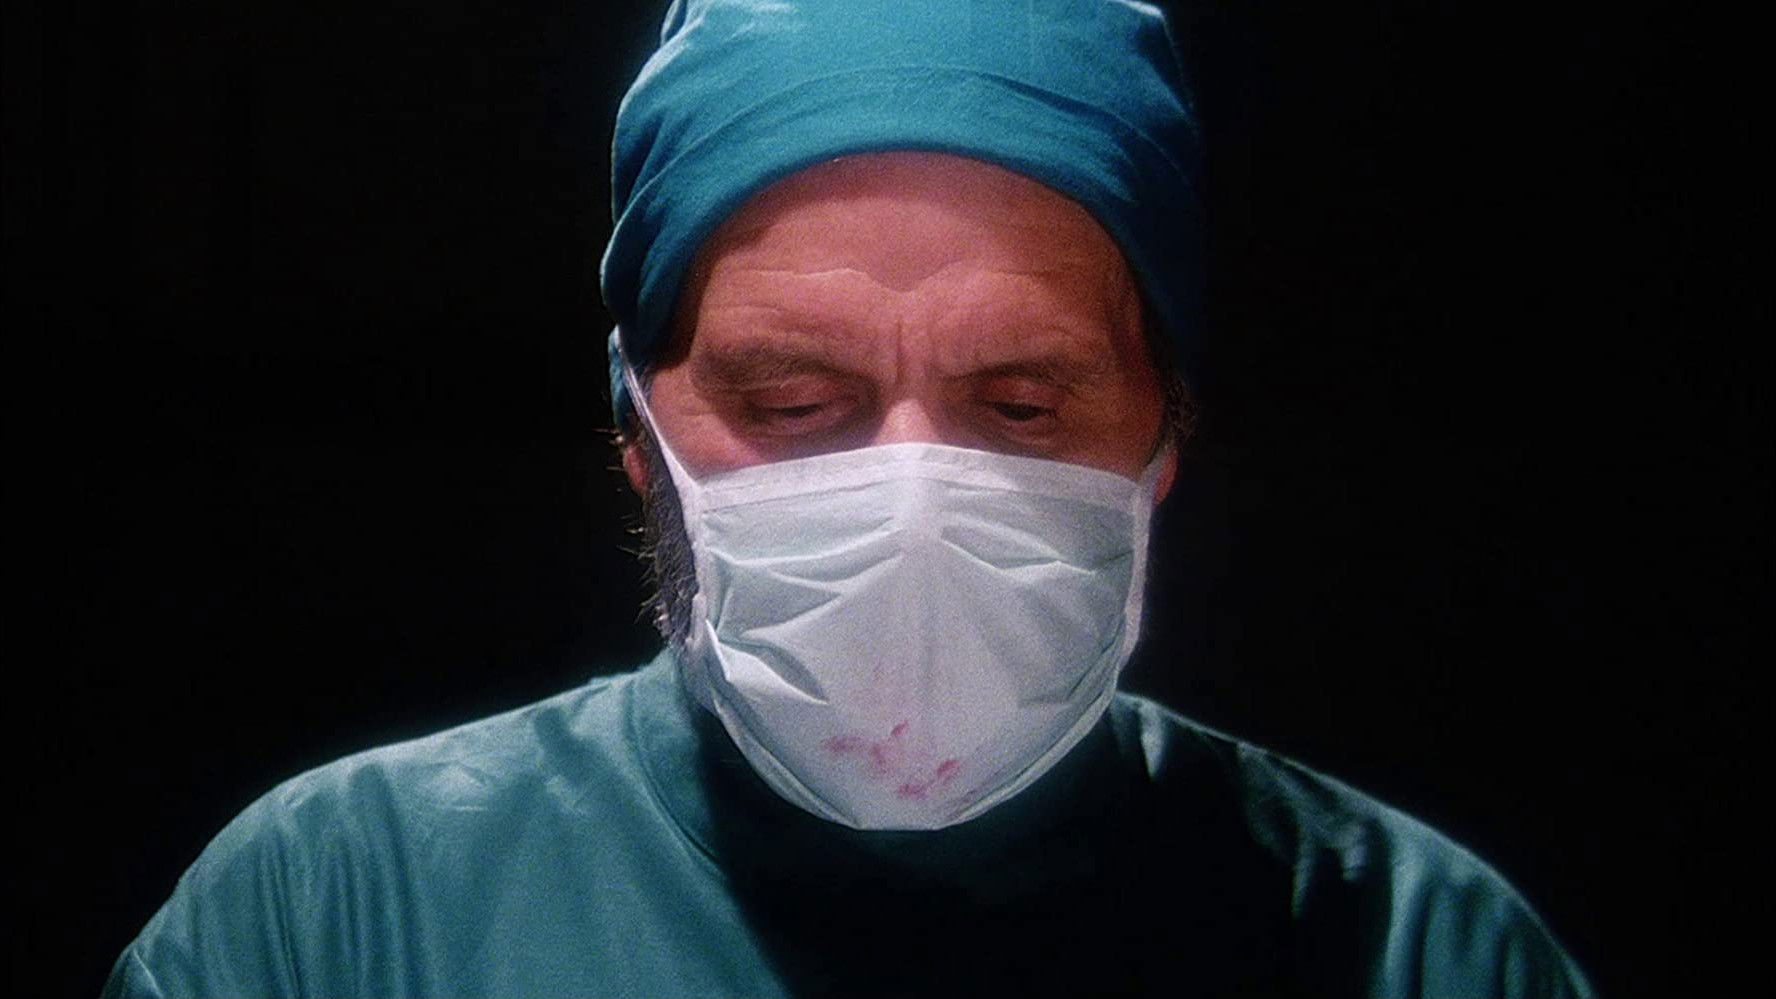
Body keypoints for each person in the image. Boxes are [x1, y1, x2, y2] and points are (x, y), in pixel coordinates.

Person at [106, 1, 1592, 995]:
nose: (911, 494)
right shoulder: (345, 916)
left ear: (1166, 436)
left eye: (1022, 405)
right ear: (640, 436)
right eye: (792, 405)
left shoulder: (1407, 949)